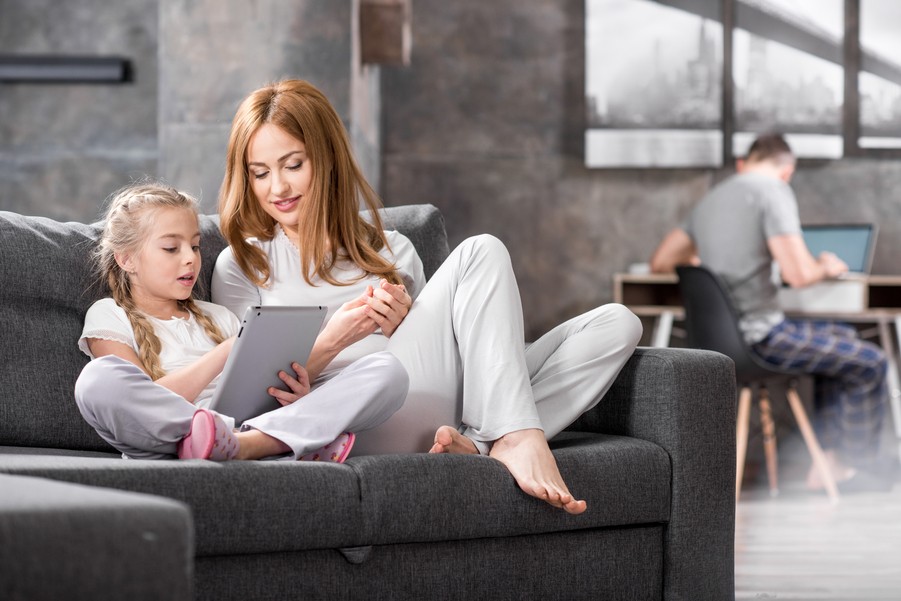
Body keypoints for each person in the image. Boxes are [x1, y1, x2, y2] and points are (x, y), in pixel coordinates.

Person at [212, 79, 643, 514]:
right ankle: (516, 436)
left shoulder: (393, 248)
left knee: (617, 324)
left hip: (447, 409)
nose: (278, 188)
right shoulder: (242, 264)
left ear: (326, 160)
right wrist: (334, 339)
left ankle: (479, 443)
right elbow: (240, 408)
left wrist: (402, 325)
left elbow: (443, 351)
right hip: (355, 419)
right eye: (260, 173)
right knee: (481, 249)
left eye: (293, 165)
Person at [74, 182, 408, 462]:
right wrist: (225, 352)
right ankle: (268, 440)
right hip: (164, 429)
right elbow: (148, 397)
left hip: (244, 423)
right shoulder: (109, 313)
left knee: (386, 371)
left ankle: (249, 443)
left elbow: (254, 394)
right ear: (126, 258)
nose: (190, 258)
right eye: (171, 248)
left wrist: (296, 393)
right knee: (96, 381)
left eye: (194, 246)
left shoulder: (218, 316)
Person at [650, 133, 889, 491]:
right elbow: (798, 274)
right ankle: (853, 467)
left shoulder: (712, 198)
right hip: (761, 338)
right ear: (786, 171)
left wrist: (708, 266)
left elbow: (661, 262)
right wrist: (825, 266)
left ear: (744, 162)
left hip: (718, 340)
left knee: (841, 340)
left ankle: (826, 461)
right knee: (870, 361)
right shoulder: (772, 192)